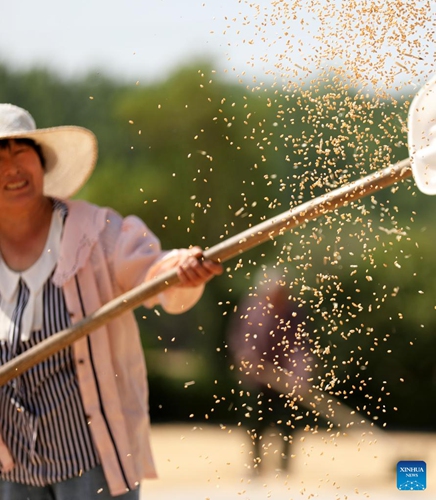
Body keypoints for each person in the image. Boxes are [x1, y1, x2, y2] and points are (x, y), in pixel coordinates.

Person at [0, 103, 223, 499]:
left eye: (22, 153)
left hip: (90, 461)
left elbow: (156, 275)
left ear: (42, 163)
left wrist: (180, 269)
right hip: (11, 468)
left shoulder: (93, 232)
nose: (12, 168)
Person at [227, 270, 312, 473]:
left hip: (284, 381)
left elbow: (299, 347)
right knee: (255, 423)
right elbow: (240, 338)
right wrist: (247, 358)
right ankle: (256, 465)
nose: (279, 297)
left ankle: (284, 465)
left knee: (288, 423)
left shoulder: (293, 313)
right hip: (256, 378)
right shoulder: (252, 309)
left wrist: (299, 375)